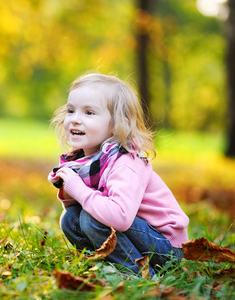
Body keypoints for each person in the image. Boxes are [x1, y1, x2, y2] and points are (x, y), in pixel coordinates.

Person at [48, 72, 189, 277]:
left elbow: (120, 217)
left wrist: (78, 187)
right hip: (136, 235)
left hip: (166, 246)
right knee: (70, 219)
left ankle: (140, 275)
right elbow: (80, 206)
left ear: (116, 124)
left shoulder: (124, 162)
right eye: (71, 110)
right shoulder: (88, 161)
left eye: (89, 113)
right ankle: (103, 264)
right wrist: (67, 184)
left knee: (92, 218)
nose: (75, 119)